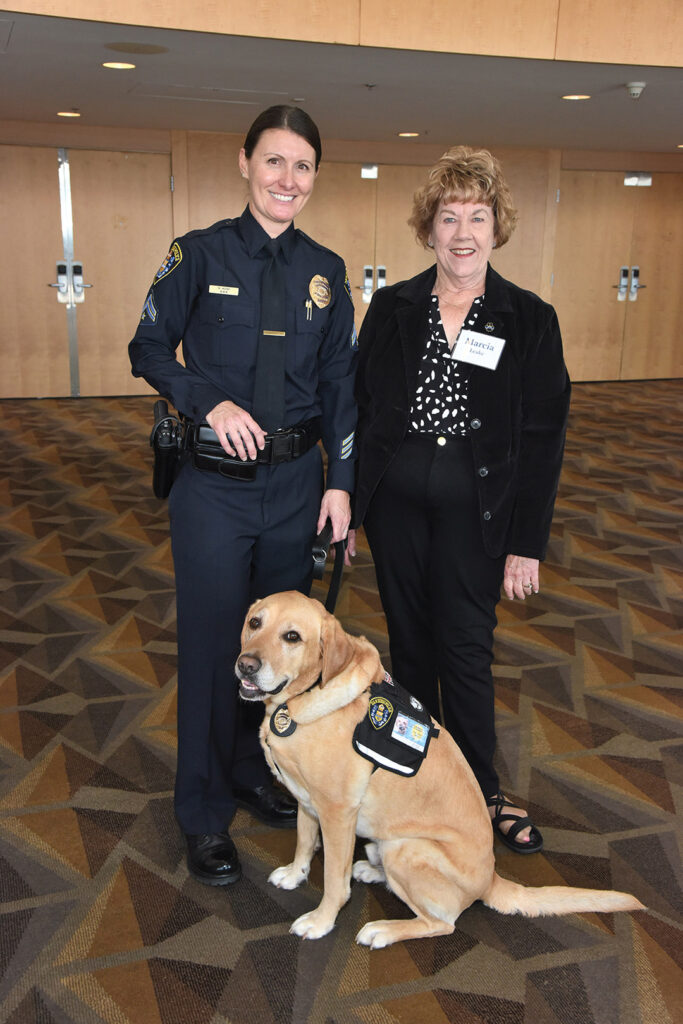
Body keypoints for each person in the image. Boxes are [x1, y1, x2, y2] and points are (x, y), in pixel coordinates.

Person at [129, 106, 357, 884]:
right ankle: (200, 810)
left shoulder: (326, 272)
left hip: (296, 487)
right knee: (213, 649)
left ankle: (250, 770)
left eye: (301, 166)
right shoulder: (196, 253)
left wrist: (341, 484)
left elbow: (339, 389)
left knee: (278, 655)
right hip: (214, 494)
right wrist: (206, 401)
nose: (286, 179)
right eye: (273, 162)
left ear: (313, 178)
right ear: (244, 163)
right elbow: (147, 345)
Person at [349, 146, 570, 854]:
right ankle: (413, 781)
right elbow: (360, 411)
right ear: (429, 227)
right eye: (449, 217)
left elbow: (543, 441)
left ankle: (481, 792)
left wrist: (525, 543)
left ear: (496, 226)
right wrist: (351, 507)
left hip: (478, 515)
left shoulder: (528, 319)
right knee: (409, 651)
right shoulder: (391, 307)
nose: (463, 231)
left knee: (466, 651)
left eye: (478, 215)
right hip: (395, 508)